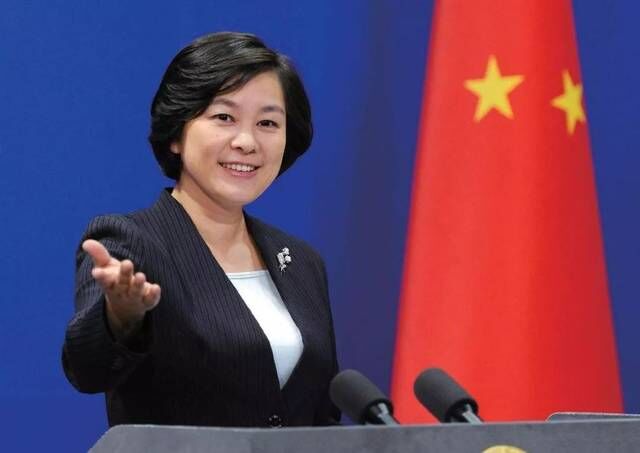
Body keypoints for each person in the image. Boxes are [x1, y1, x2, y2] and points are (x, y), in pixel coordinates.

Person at [62, 32, 340, 428]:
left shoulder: (301, 262)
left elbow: (322, 413)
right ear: (177, 133)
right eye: (224, 117)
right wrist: (121, 318)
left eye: (267, 123)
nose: (246, 142)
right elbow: (87, 369)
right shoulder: (130, 242)